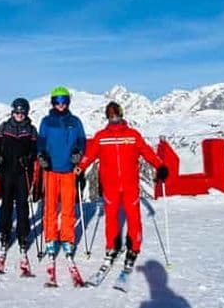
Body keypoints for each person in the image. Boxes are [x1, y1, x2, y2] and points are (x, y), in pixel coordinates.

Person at [76, 101, 168, 272]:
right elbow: (89, 155)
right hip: (110, 184)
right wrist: (80, 168)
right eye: (110, 115)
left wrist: (160, 165)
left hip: (130, 184)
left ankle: (134, 247)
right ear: (107, 117)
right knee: (111, 217)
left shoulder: (133, 135)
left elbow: (147, 151)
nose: (114, 118)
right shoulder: (101, 136)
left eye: (116, 114)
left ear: (122, 114)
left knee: (133, 217)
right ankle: (112, 246)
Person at [37, 86, 86, 264]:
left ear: (68, 102)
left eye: (64, 101)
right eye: (57, 101)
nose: (61, 105)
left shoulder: (75, 121)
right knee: (50, 206)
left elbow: (81, 140)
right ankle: (50, 238)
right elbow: (41, 142)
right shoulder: (46, 122)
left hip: (68, 169)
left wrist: (78, 153)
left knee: (68, 207)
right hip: (50, 169)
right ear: (52, 103)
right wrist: (41, 155)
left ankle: (67, 239)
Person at [0, 97, 38, 274]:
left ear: (26, 113)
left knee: (22, 205)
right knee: (6, 205)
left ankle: (23, 235)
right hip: (6, 172)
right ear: (12, 112)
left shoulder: (31, 130)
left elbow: (35, 149)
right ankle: (4, 233)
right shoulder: (4, 127)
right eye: (17, 112)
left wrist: (30, 158)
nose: (19, 115)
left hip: (22, 173)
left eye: (22, 112)